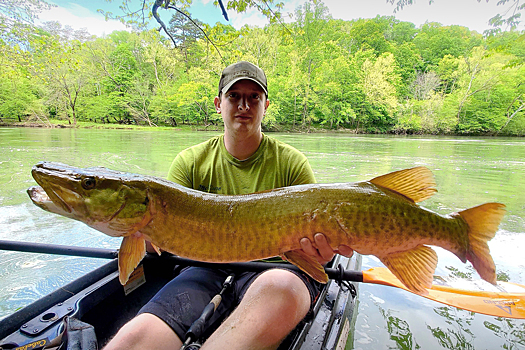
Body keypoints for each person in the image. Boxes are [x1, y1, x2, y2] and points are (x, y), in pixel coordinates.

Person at [104, 61, 353, 350]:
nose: (244, 105)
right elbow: (159, 247)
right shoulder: (190, 162)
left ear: (266, 105)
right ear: (218, 104)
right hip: (203, 271)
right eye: (234, 96)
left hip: (277, 270)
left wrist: (320, 253)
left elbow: (315, 252)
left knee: (279, 288)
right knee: (133, 339)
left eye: (254, 97)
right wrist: (137, 233)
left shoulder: (292, 163)